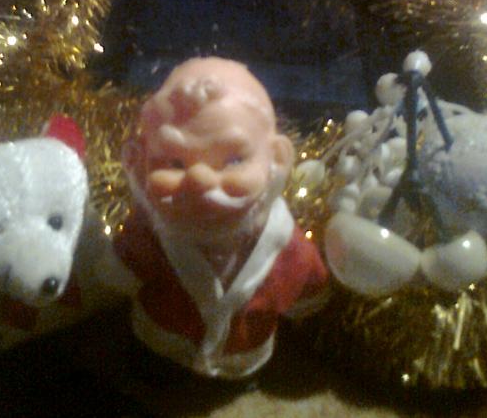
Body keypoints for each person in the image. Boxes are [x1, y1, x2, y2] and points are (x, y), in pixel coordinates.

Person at [106, 56, 328, 379]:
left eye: (234, 160)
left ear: (277, 159)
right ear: (140, 162)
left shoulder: (283, 240)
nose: (200, 181)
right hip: (163, 343)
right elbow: (124, 267)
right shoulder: (151, 231)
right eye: (175, 163)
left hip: (243, 357)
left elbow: (307, 281)